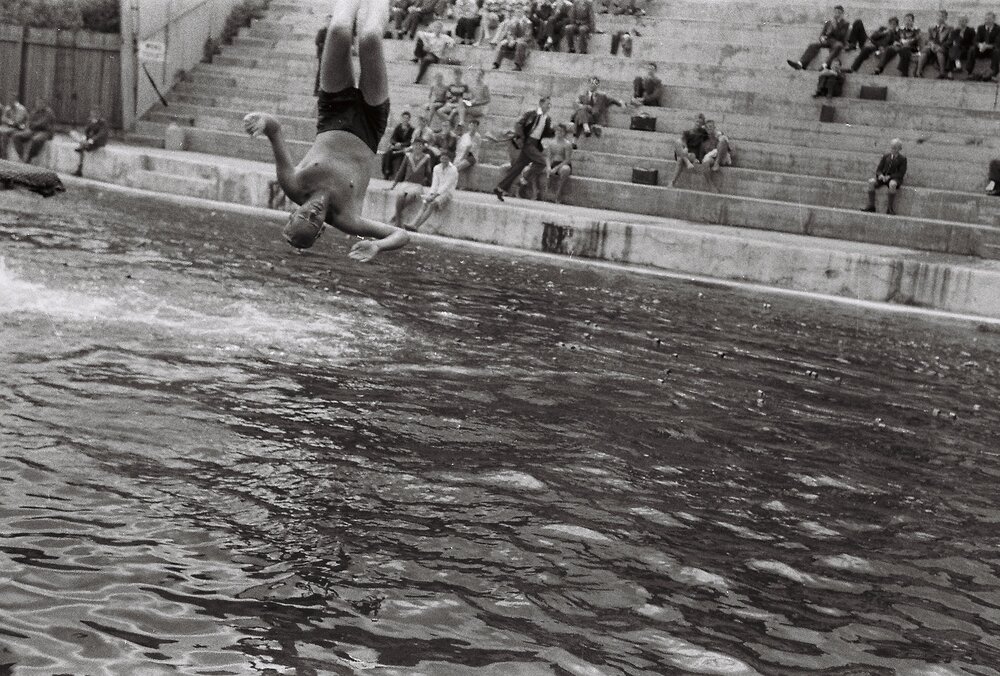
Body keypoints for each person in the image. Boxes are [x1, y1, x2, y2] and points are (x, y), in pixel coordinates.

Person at [244, 0, 408, 260]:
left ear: (293, 211)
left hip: (333, 112)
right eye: (315, 220)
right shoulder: (348, 219)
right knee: (370, 38)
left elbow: (275, 130)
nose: (314, 211)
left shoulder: (293, 184)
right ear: (321, 230)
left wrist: (262, 121)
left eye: (305, 213)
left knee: (339, 30)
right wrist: (377, 246)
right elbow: (400, 234)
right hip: (369, 123)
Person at [494, 95, 554, 201]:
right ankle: (524, 178)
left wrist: (556, 129)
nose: (549, 106)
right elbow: (518, 124)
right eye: (547, 104)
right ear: (541, 104)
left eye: (550, 104)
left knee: (517, 168)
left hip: (535, 144)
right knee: (541, 162)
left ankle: (500, 188)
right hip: (528, 142)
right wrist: (521, 138)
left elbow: (547, 133)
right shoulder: (531, 113)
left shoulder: (547, 119)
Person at [402, 151, 459, 230]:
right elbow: (435, 183)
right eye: (442, 158)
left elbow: (447, 186)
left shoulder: (453, 170)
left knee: (432, 203)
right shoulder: (437, 168)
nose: (444, 160)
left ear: (449, 159)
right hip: (436, 192)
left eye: (446, 158)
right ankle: (413, 223)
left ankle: (416, 226)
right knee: (425, 203)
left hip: (447, 193)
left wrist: (434, 196)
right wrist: (431, 194)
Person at [787, 4, 849, 71]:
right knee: (813, 45)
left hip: (836, 41)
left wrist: (835, 26)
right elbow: (822, 34)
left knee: (839, 45)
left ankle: (825, 65)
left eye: (838, 12)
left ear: (842, 13)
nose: (836, 14)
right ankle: (800, 64)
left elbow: (841, 37)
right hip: (827, 41)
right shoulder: (828, 22)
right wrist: (822, 38)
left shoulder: (845, 23)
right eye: (835, 12)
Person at [571, 76, 624, 140]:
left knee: (579, 115)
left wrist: (620, 103)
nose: (592, 85)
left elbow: (612, 100)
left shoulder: (602, 97)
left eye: (594, 83)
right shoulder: (582, 95)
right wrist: (585, 107)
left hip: (595, 118)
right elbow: (575, 104)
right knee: (582, 111)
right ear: (588, 84)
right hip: (586, 116)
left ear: (597, 85)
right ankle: (586, 128)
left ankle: (575, 139)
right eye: (590, 83)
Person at [863, 138, 906, 215]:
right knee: (871, 182)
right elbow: (879, 169)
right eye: (892, 147)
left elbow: (901, 173)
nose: (893, 150)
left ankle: (889, 208)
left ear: (899, 149)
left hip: (894, 178)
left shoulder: (902, 159)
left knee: (892, 184)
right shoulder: (886, 156)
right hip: (883, 178)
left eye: (895, 148)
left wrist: (890, 177)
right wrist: (880, 175)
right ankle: (871, 206)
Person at [670, 113, 708, 187]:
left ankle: (672, 182)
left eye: (700, 123)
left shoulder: (703, 133)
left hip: (692, 155)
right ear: (694, 121)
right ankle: (687, 162)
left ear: (702, 124)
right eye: (697, 121)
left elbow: (713, 132)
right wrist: (686, 148)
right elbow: (682, 141)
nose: (698, 124)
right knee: (677, 142)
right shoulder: (687, 132)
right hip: (684, 152)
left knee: (680, 159)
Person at [12, 99, 54, 164]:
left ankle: (29, 158)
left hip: (45, 131)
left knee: (36, 139)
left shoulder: (49, 112)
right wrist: (31, 125)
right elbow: (29, 121)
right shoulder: (34, 112)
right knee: (16, 136)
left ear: (45, 104)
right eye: (38, 103)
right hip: (34, 130)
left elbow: (43, 123)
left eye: (41, 103)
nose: (39, 105)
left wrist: (33, 124)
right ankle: (21, 156)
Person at [70, 108, 110, 177]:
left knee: (83, 146)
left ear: (99, 115)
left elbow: (101, 134)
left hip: (98, 142)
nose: (93, 117)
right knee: (74, 135)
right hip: (90, 141)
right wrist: (85, 137)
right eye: (92, 115)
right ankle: (79, 169)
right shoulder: (90, 121)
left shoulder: (103, 123)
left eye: (95, 115)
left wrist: (91, 140)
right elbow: (86, 131)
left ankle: (82, 147)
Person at [542, 123, 573, 202]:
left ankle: (559, 193)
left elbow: (567, 159)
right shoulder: (551, 143)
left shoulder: (567, 144)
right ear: (555, 131)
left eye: (561, 131)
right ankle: (546, 194)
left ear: (564, 133)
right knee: (546, 170)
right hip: (553, 163)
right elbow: (548, 157)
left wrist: (556, 168)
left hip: (563, 164)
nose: (559, 133)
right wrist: (549, 167)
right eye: (558, 131)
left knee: (565, 170)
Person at [917, 10, 953, 78]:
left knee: (939, 51)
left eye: (942, 16)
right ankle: (918, 72)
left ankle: (942, 72)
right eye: (939, 16)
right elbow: (928, 39)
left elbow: (949, 40)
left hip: (943, 47)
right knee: (925, 51)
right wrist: (932, 44)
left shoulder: (949, 28)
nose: (940, 18)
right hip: (932, 47)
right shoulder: (931, 28)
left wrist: (940, 46)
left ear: (946, 18)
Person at [699, 119, 732, 193]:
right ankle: (711, 186)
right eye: (707, 127)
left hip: (721, 158)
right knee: (705, 164)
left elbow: (727, 147)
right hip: (711, 159)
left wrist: (719, 136)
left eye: (711, 127)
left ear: (714, 128)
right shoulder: (703, 140)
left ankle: (717, 164)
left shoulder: (719, 135)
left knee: (723, 141)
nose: (709, 129)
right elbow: (701, 155)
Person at [966, 12, 1000, 81]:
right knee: (972, 49)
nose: (987, 20)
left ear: (994, 19)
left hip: (991, 50)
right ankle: (969, 71)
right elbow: (975, 40)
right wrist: (979, 45)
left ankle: (994, 73)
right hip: (981, 49)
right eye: (986, 19)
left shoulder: (998, 29)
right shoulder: (981, 28)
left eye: (989, 19)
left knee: (997, 51)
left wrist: (987, 46)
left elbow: (997, 43)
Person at [381, 110, 414, 178]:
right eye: (404, 118)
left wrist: (401, 144)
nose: (405, 120)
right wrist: (396, 143)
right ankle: (387, 171)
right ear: (402, 118)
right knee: (387, 154)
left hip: (405, 149)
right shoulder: (398, 127)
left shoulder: (411, 129)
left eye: (407, 118)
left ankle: (389, 172)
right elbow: (392, 138)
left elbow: (410, 141)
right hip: (397, 147)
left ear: (409, 119)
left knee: (395, 154)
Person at [454, 118, 482, 188]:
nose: (473, 127)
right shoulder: (465, 136)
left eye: (475, 126)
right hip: (463, 155)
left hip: (471, 156)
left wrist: (462, 158)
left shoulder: (478, 137)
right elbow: (460, 148)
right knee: (457, 166)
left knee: (458, 166)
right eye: (471, 125)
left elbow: (470, 149)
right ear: (469, 126)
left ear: (477, 127)